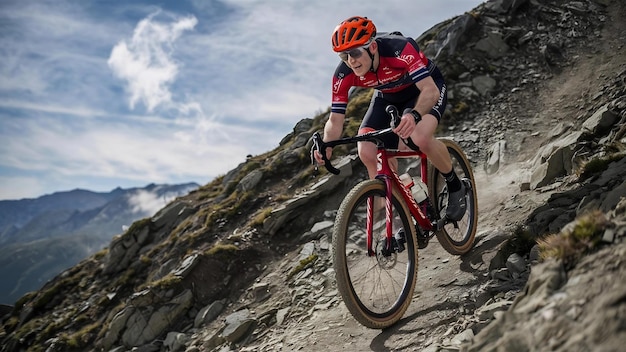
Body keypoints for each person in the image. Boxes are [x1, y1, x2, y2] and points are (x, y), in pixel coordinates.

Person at [313, 16, 466, 221]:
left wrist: (414, 115)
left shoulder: (399, 49)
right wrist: (327, 146)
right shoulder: (343, 74)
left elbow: (430, 91)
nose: (351, 61)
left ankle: (456, 185)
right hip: (387, 97)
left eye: (355, 53)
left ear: (373, 47)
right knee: (367, 151)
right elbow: (335, 119)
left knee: (418, 137)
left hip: (423, 90)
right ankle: (407, 208)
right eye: (344, 56)